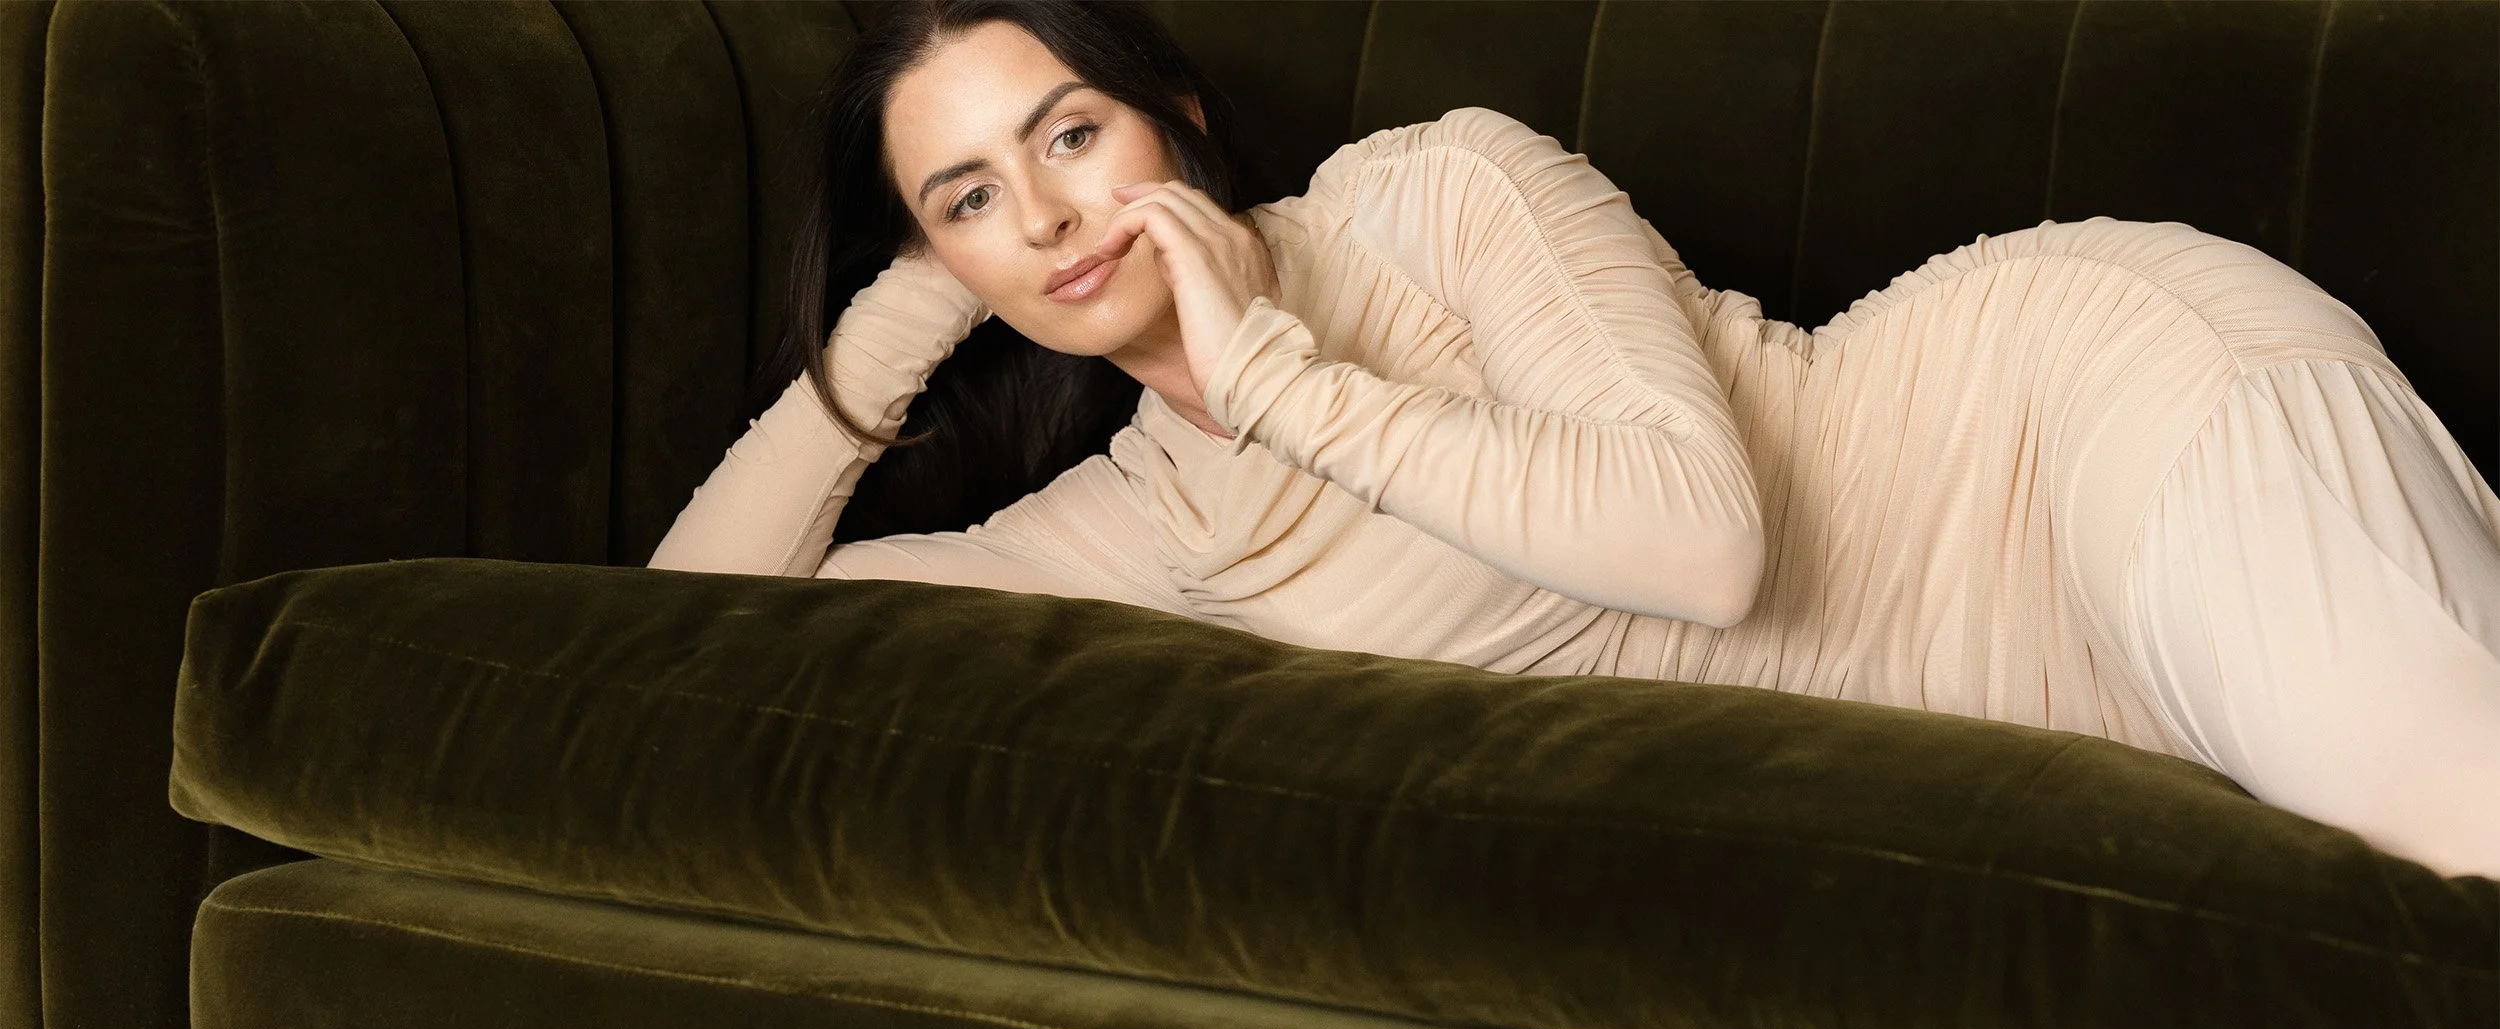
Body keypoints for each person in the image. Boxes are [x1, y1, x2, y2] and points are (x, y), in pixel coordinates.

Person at [648, 1, 2500, 881]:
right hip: (2022, 703)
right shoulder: (1149, 525)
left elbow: (1708, 545)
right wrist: (900, 314)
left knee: (2456, 853)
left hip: (2073, 412)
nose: (1045, 221)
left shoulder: (1441, 193)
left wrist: (1281, 374)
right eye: (970, 196)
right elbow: (686, 642)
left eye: (1069, 138)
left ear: (1181, 125)